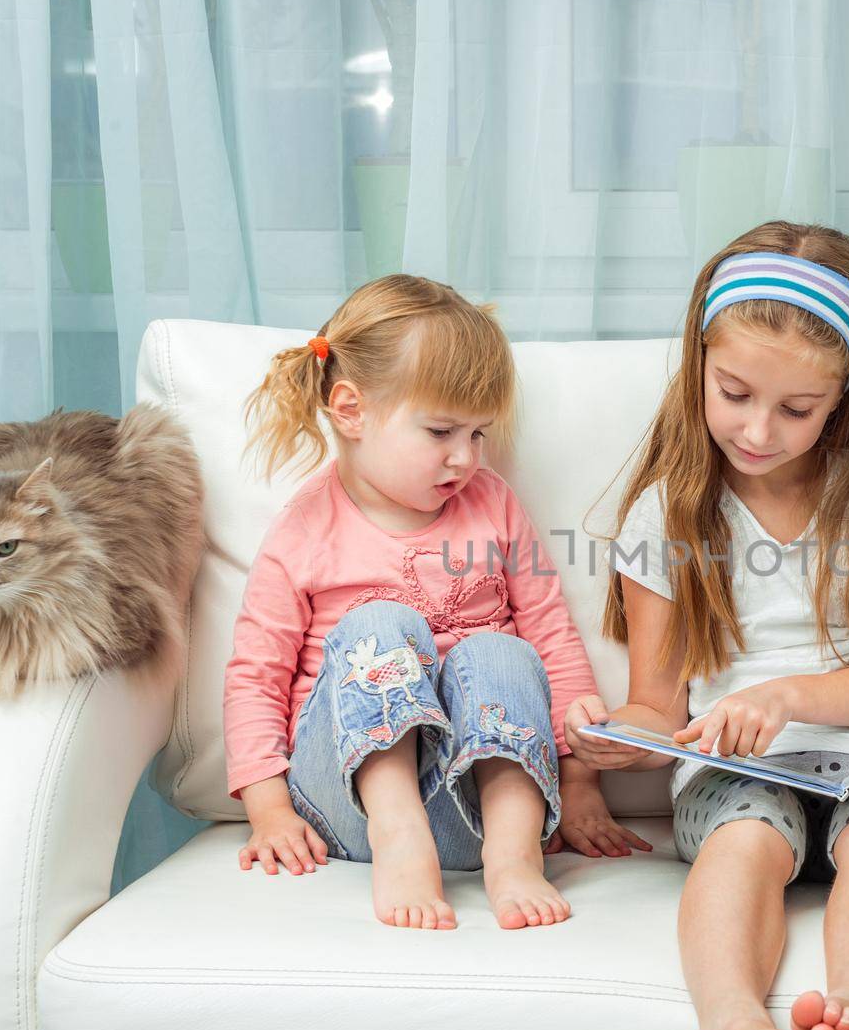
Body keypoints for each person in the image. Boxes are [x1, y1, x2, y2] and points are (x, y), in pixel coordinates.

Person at [565, 222, 849, 1030]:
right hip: (734, 771)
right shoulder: (671, 515)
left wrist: (785, 696)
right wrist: (610, 742)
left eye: (795, 409)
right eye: (734, 393)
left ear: (845, 398)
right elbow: (658, 709)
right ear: (699, 367)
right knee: (745, 842)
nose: (757, 429)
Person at [225, 274, 648, 932]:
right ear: (350, 410)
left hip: (472, 810)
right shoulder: (306, 527)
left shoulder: (494, 505)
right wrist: (268, 810)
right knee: (379, 624)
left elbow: (553, 636)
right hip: (349, 804)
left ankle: (512, 859)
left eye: (479, 435)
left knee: (503, 649)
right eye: (442, 431)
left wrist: (584, 788)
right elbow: (255, 676)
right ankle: (401, 837)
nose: (465, 458)